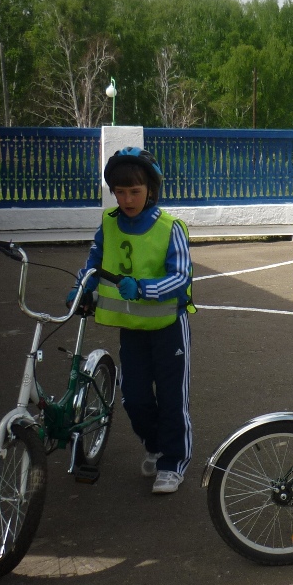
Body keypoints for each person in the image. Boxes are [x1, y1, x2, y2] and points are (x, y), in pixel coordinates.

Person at [71, 147, 195, 494]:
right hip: (132, 329)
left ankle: (173, 462)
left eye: (135, 191)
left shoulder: (170, 227)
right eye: (120, 191)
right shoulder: (109, 223)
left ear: (151, 190)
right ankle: (155, 446)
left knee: (172, 399)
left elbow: (181, 277)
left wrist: (143, 288)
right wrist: (81, 287)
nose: (127, 199)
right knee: (134, 398)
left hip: (169, 328)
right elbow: (94, 262)